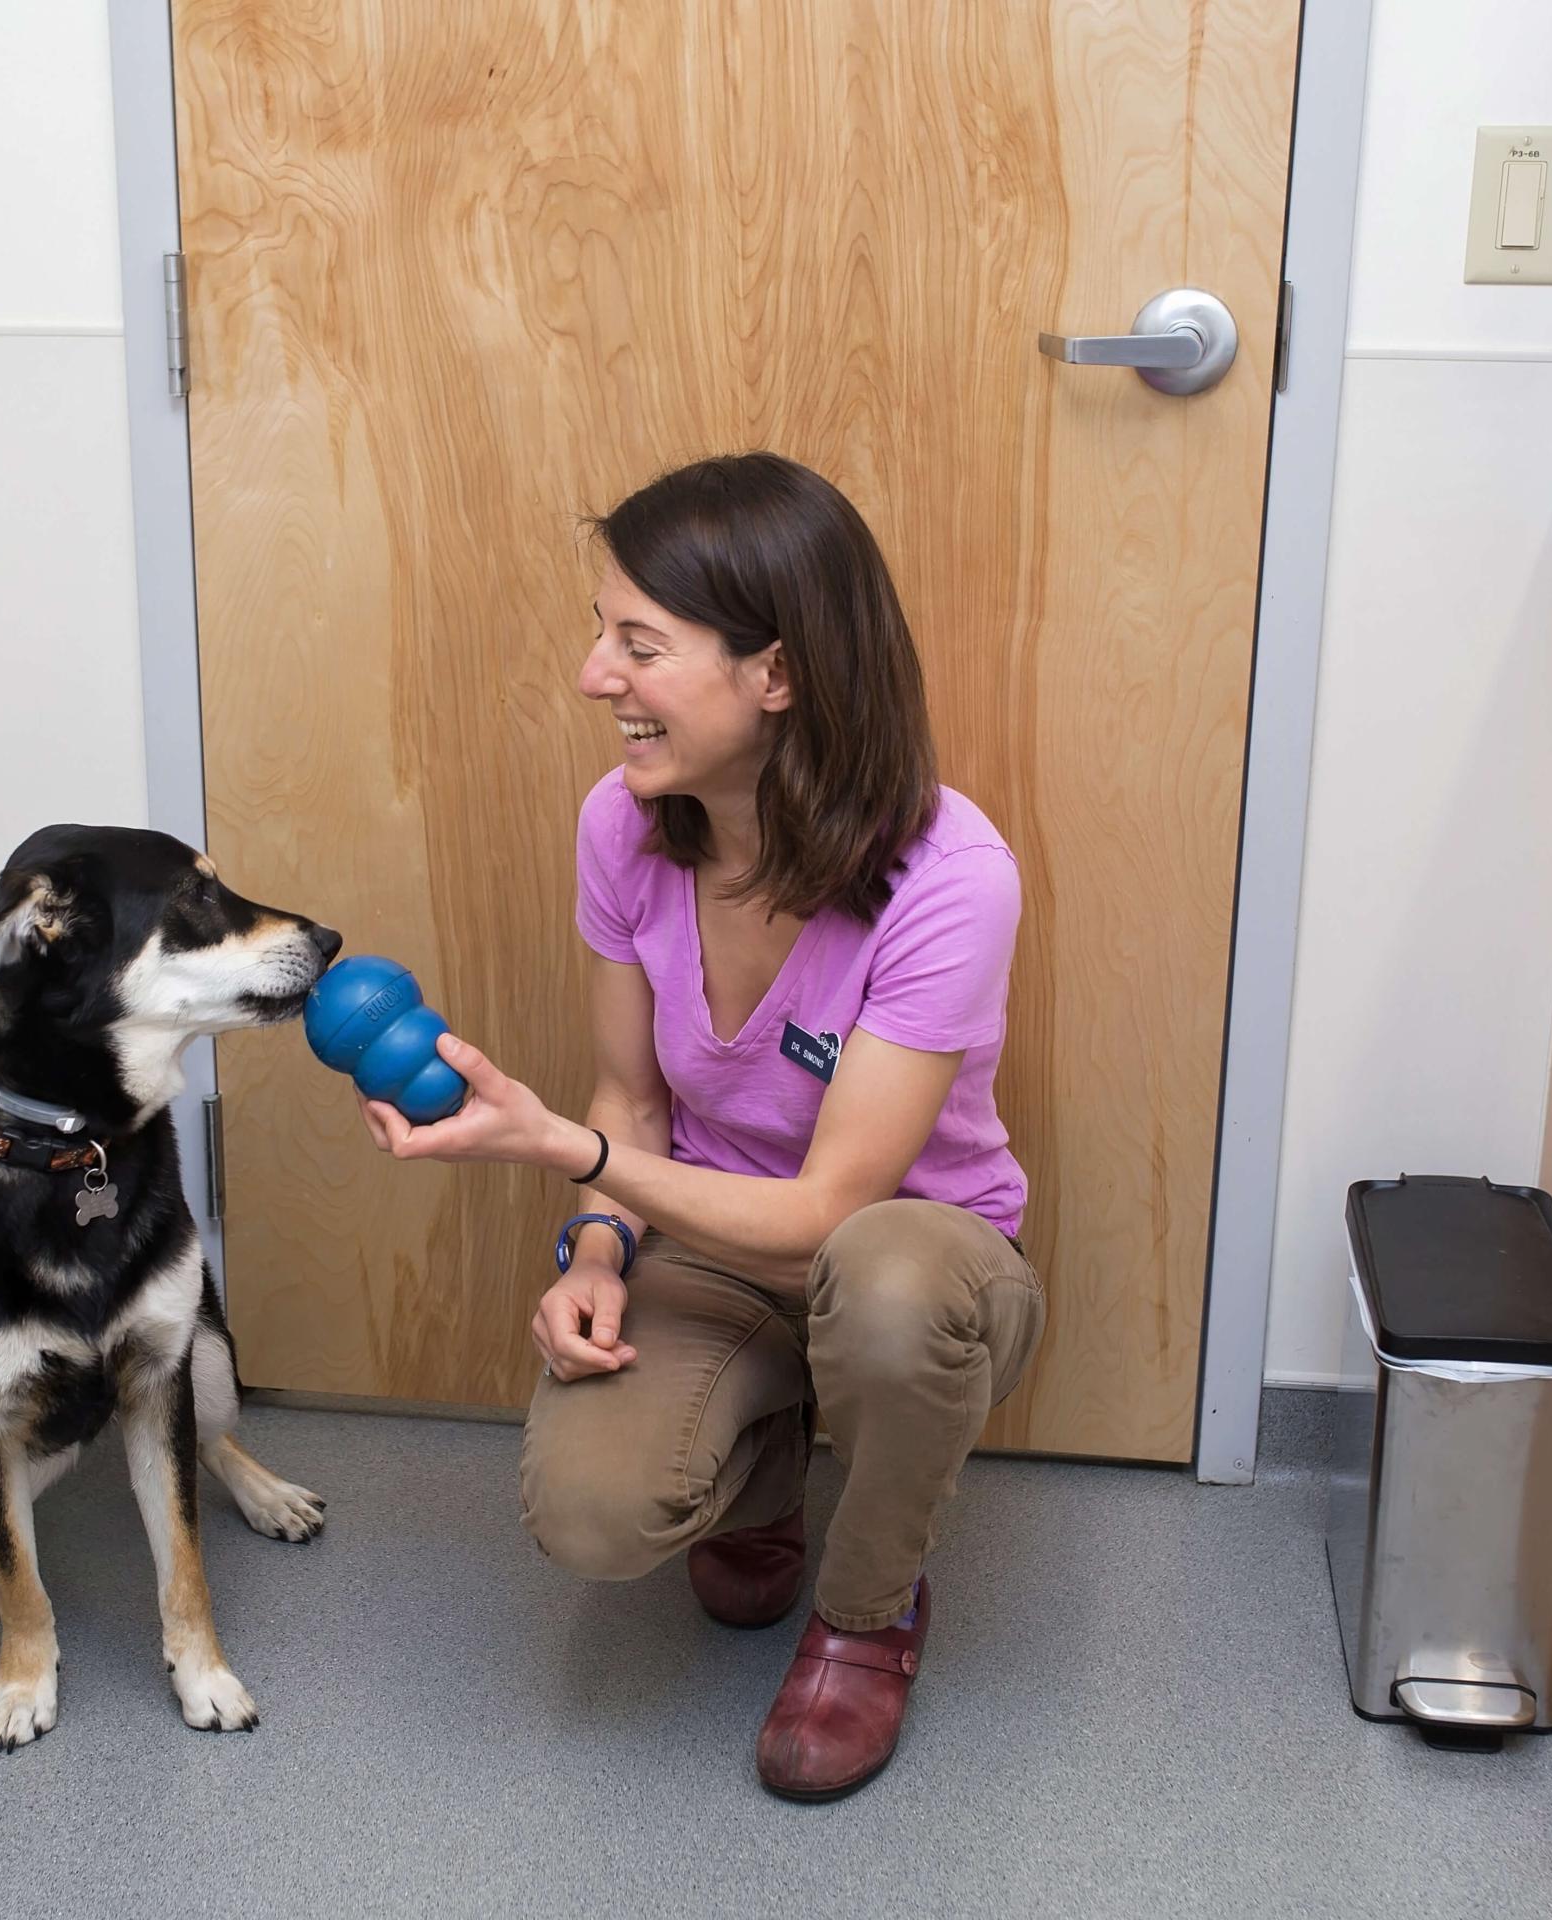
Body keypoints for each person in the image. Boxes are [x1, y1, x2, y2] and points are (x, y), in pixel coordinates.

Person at [356, 451, 1040, 1801]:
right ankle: (766, 1465)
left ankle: (866, 1616)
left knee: (887, 1291)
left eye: (638, 643)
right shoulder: (623, 829)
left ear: (775, 674)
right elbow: (633, 1100)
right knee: (596, 1514)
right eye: (601, 633)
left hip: (924, 1258)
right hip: (714, 1253)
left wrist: (564, 1154)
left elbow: (835, 1211)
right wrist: (598, 1256)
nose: (592, 676)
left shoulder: (949, 876)